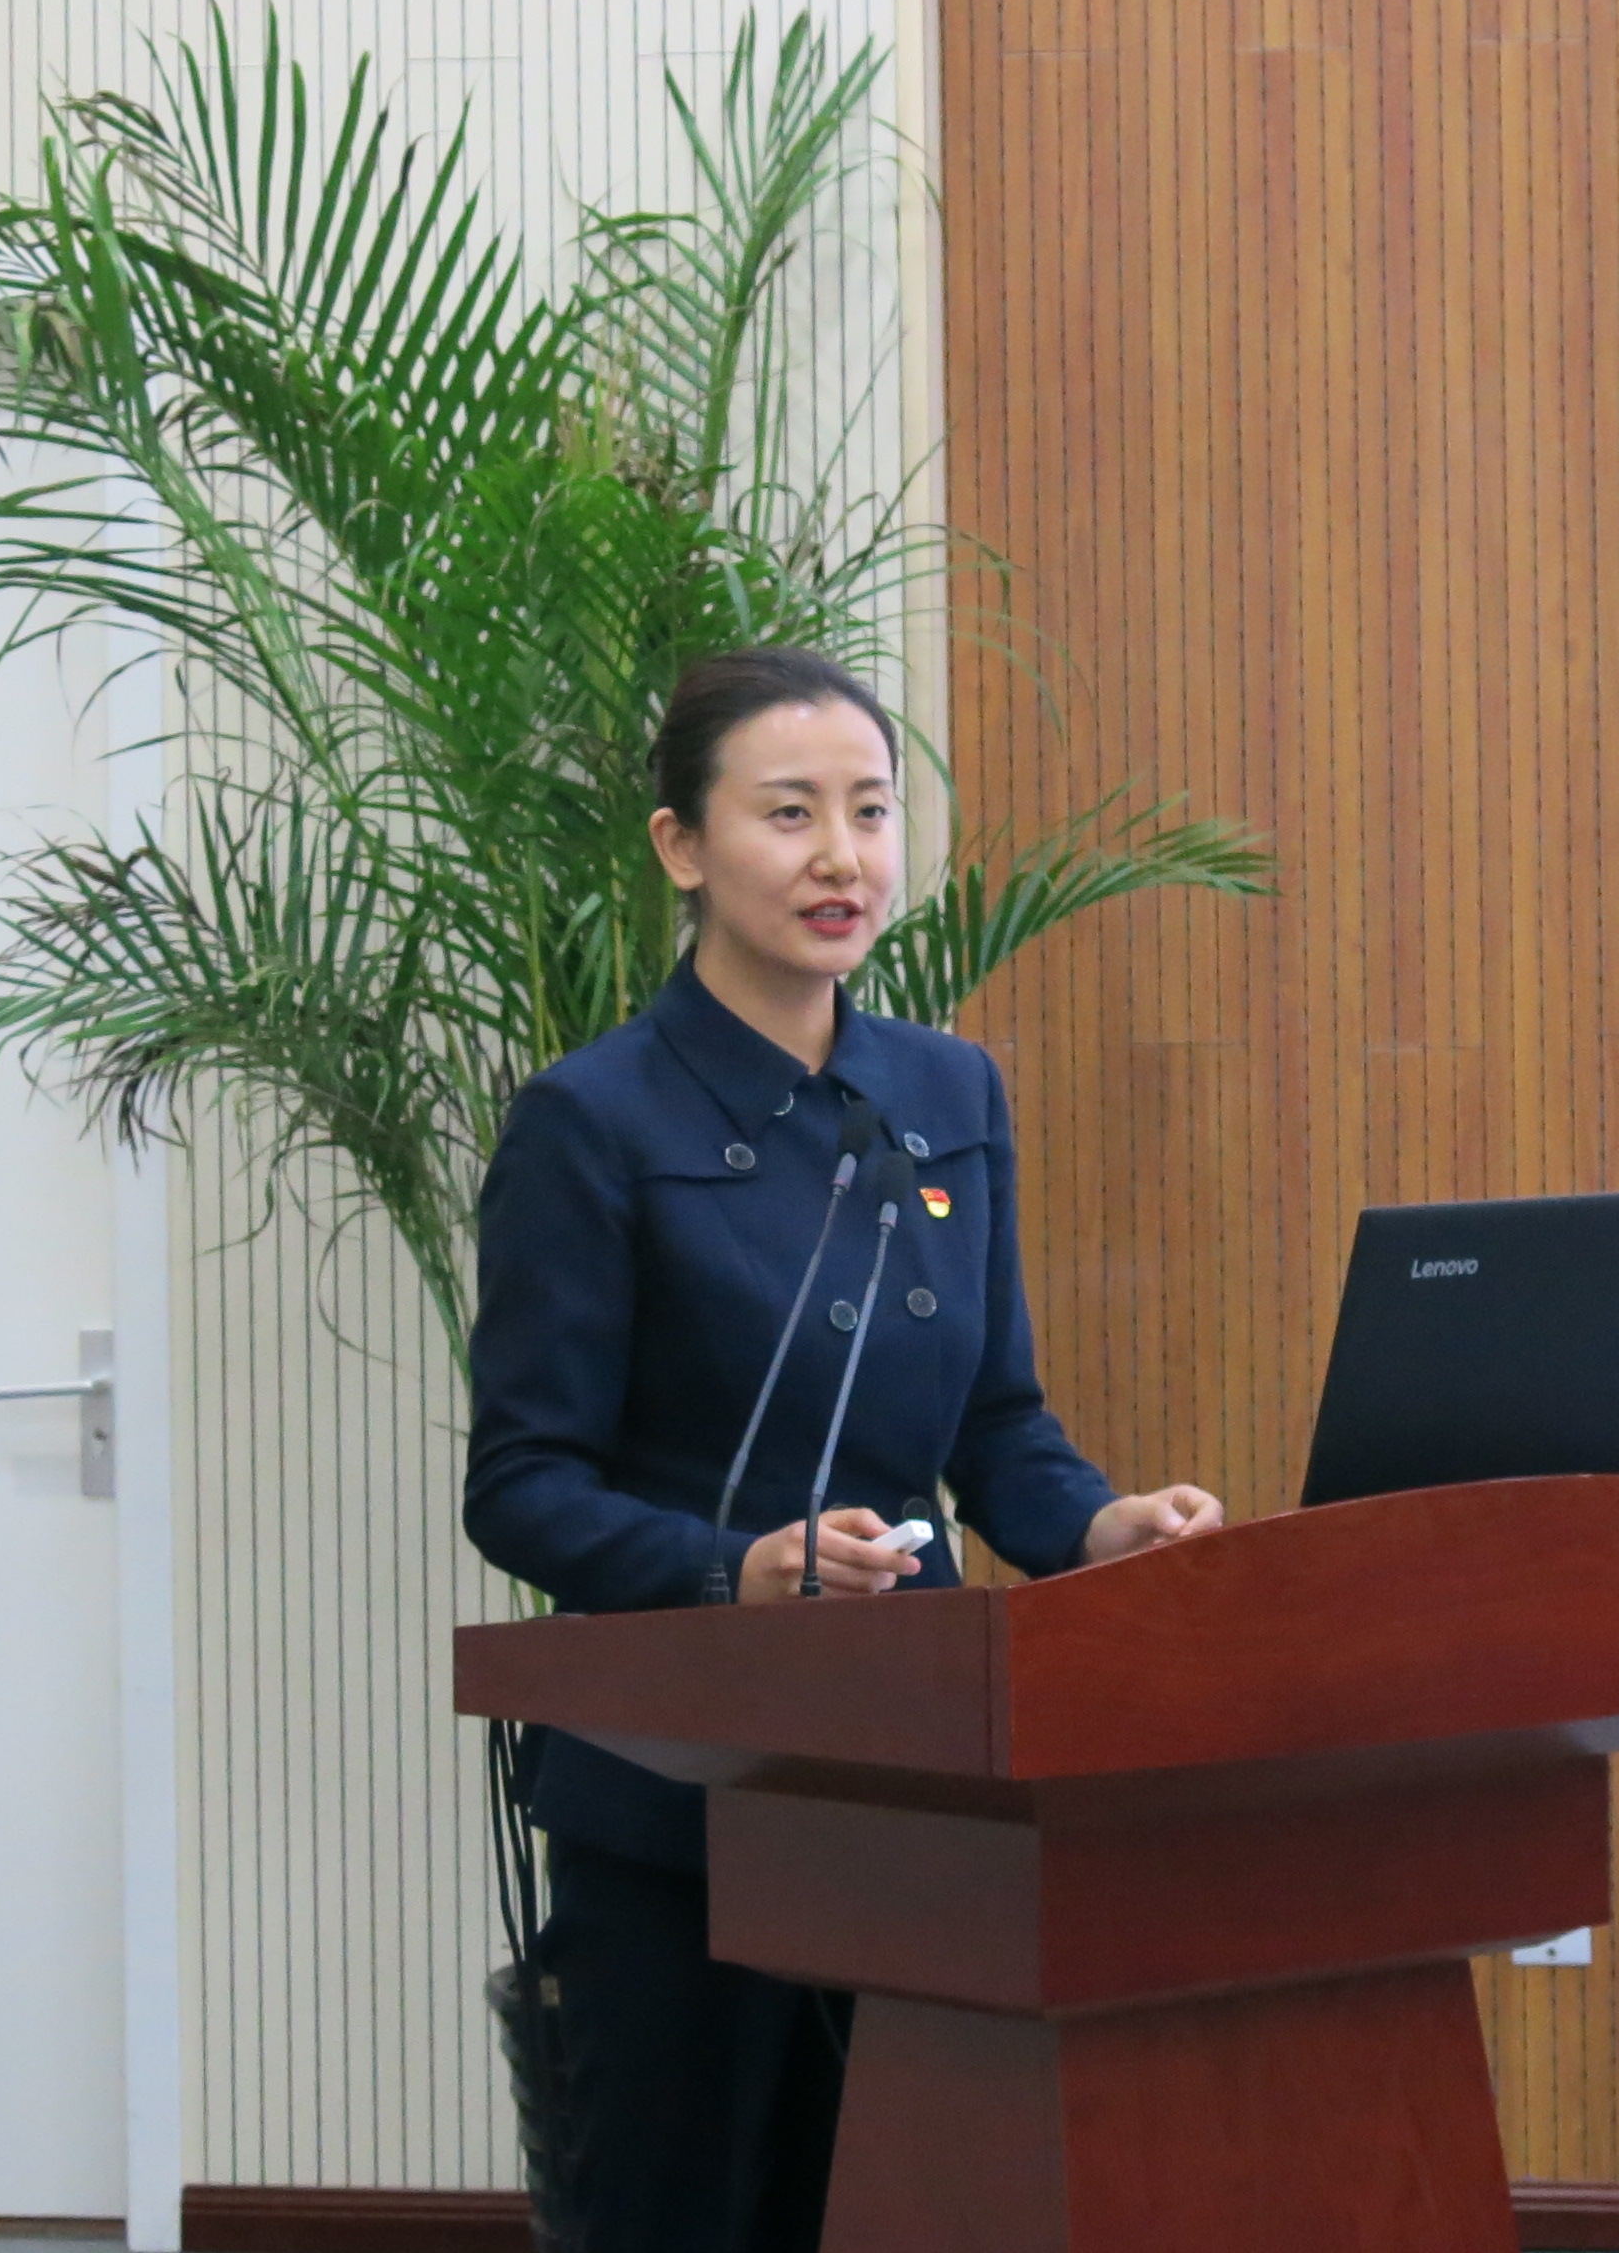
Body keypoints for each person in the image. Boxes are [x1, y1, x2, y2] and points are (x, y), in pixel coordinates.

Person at [461, 645, 1223, 2253]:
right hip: (680, 1793)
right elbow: (521, 1484)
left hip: (916, 1780)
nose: (842, 858)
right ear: (682, 846)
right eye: (790, 812)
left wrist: (1100, 1531)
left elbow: (997, 1427)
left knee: (903, 2208)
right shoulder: (592, 1121)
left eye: (871, 812)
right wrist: (731, 1570)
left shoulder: (946, 1091)